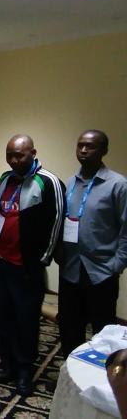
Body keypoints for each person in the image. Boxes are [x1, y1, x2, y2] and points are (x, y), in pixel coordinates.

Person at [0, 134, 64, 396]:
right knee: (2, 316)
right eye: (10, 155)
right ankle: (7, 364)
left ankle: (25, 370)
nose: (14, 160)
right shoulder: (5, 179)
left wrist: (42, 261)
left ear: (33, 153)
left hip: (26, 266)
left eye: (20, 155)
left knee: (26, 319)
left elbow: (57, 223)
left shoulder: (48, 182)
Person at [58, 130, 127, 357]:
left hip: (101, 271)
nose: (84, 150)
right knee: (70, 328)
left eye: (91, 146)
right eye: (80, 145)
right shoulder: (71, 182)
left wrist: (116, 265)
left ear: (104, 150)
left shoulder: (118, 185)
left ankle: (100, 381)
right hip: (71, 269)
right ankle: (69, 378)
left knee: (102, 332)